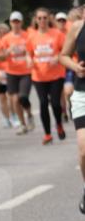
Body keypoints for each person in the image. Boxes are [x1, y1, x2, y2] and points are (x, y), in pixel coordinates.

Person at [27, 8, 66, 144]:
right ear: (36, 20)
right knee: (43, 103)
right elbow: (28, 53)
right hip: (39, 76)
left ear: (49, 19)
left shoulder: (57, 34)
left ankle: (59, 124)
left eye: (45, 17)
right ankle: (48, 134)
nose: (42, 20)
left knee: (55, 103)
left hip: (56, 75)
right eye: (40, 18)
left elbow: (65, 50)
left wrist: (57, 57)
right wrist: (29, 60)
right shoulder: (32, 36)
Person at [59, 14, 85, 213]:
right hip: (83, 94)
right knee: (84, 150)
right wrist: (75, 67)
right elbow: (63, 56)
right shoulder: (78, 27)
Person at [0, 11, 35, 134]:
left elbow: (33, 51)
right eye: (13, 21)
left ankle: (29, 114)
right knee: (14, 100)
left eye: (18, 21)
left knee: (23, 97)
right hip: (11, 72)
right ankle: (22, 124)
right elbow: (1, 57)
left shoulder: (28, 36)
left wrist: (28, 55)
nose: (15, 24)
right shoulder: (6, 38)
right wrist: (8, 51)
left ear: (21, 22)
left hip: (26, 71)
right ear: (10, 23)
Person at [0, 22, 15, 128]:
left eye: (5, 33)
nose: (3, 35)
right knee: (1, 97)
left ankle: (14, 116)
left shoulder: (11, 41)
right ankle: (7, 119)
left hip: (10, 71)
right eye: (0, 33)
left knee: (11, 96)